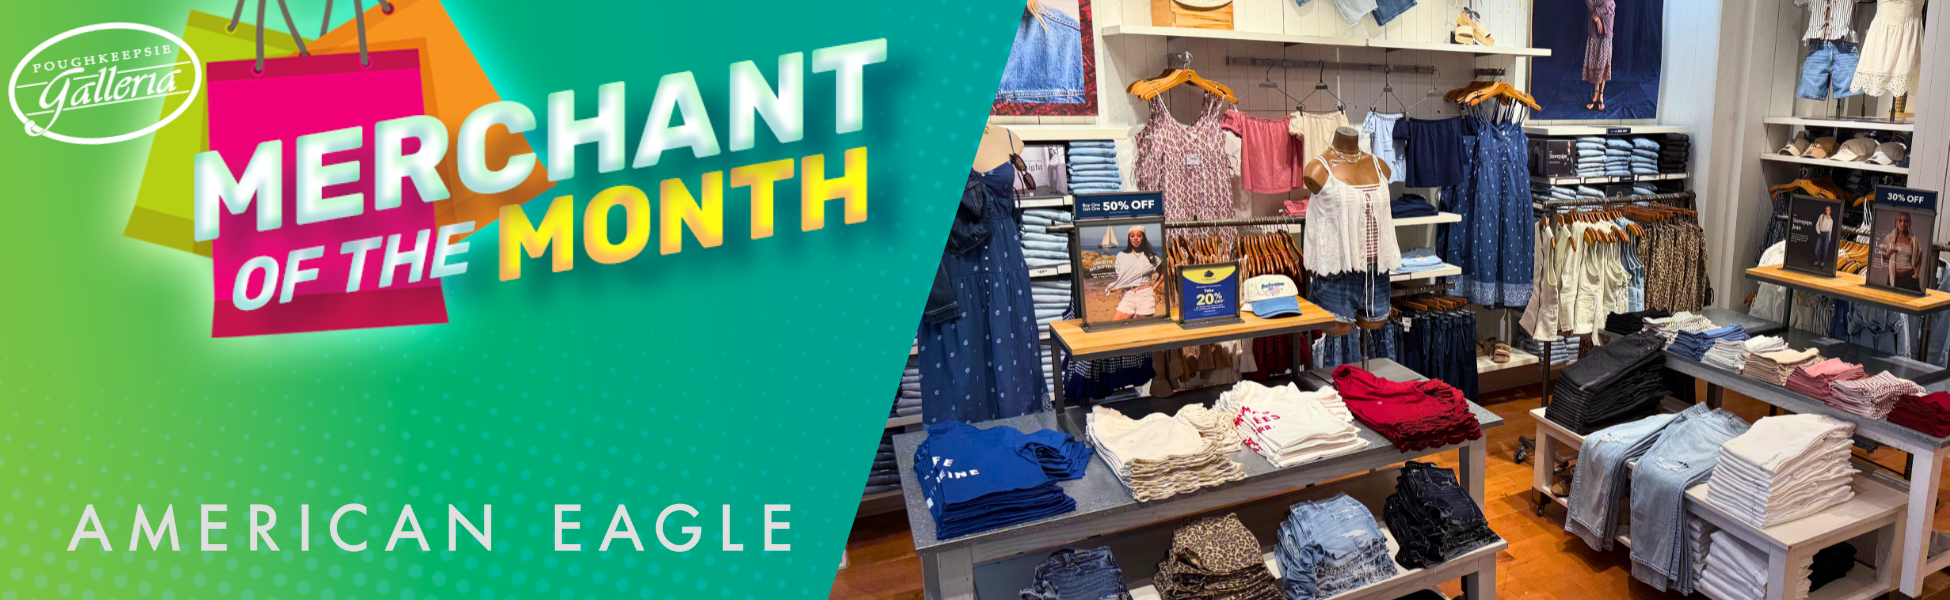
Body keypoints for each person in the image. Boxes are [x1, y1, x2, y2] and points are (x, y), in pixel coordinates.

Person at [1107, 225, 1163, 320]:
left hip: (1145, 296)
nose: (1135, 238)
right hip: (1128, 296)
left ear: (1143, 237)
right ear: (1129, 238)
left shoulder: (1151, 257)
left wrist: (1153, 289)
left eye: (1139, 235)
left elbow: (1163, 273)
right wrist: (1115, 286)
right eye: (1132, 236)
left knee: (1142, 327)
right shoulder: (1121, 256)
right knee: (1115, 325)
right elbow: (1120, 277)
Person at [1584, 0, 1616, 111]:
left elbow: (1609, 3)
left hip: (1607, 26)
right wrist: (1597, 19)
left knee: (1604, 62)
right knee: (1595, 62)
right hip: (1594, 29)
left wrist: (1596, 14)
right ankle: (1596, 95)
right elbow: (1589, 2)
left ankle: (1601, 95)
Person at [1879, 212, 1922, 289]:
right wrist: (1890, 252)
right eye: (1900, 221)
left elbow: (1919, 258)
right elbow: (1883, 258)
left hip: (1909, 278)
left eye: (1906, 221)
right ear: (1896, 222)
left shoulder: (1913, 240)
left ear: (1909, 223)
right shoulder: (1889, 238)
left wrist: (1916, 275)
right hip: (1894, 278)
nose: (1903, 224)